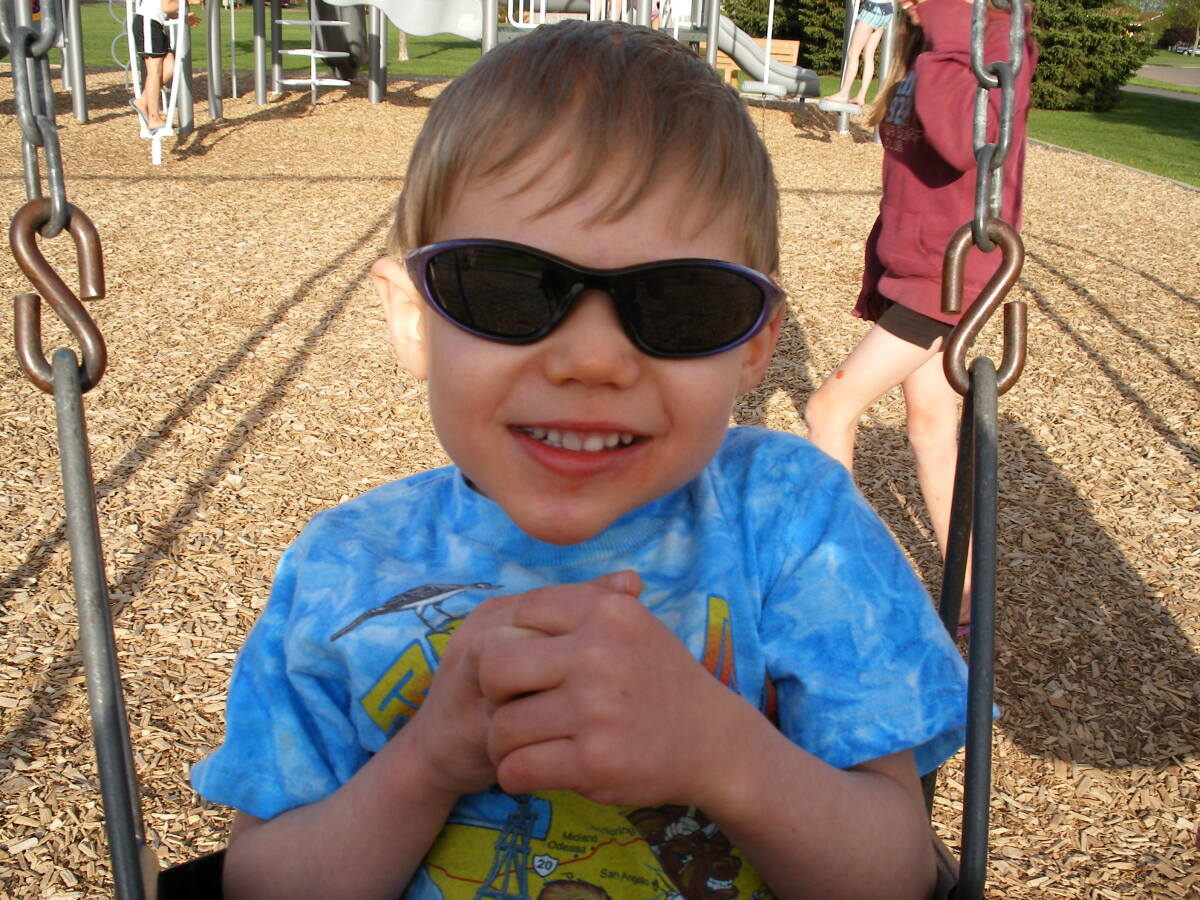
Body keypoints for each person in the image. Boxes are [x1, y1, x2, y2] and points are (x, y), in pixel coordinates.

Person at [191, 21, 970, 900]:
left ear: (754, 350)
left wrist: (722, 754)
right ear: (413, 318)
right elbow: (260, 882)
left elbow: (894, 874)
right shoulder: (343, 567)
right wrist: (429, 759)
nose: (592, 361)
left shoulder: (791, 523)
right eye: (507, 287)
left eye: (682, 304)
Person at [805, 0, 1037, 632]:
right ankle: (966, 599)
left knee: (828, 410)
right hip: (916, 269)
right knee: (931, 426)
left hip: (950, 274)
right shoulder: (925, 41)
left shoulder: (991, 41)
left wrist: (942, 31)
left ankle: (841, 578)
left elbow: (965, 147)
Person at [130, 0, 199, 132]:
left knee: (170, 67)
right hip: (147, 23)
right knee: (154, 72)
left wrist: (184, 18)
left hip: (155, 25)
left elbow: (169, 11)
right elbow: (167, 7)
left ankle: (142, 101)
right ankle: (153, 118)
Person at [822, 0, 895, 110]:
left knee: (853, 53)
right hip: (886, 11)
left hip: (872, 9)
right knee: (869, 55)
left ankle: (844, 94)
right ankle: (861, 96)